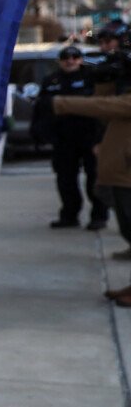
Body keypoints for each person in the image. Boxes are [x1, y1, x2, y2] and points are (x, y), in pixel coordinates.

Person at [55, 82, 131, 274]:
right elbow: (105, 110)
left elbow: (108, 106)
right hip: (119, 170)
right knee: (124, 219)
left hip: (126, 171)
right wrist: (106, 81)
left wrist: (60, 102)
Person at [35, 45, 108, 229]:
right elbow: (41, 109)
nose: (70, 61)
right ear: (60, 61)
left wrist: (101, 137)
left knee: (95, 178)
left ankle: (98, 216)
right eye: (66, 57)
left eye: (75, 57)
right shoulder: (52, 80)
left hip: (90, 135)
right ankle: (69, 215)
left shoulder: (91, 78)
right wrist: (40, 133)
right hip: (63, 138)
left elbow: (103, 107)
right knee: (65, 179)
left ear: (80, 59)